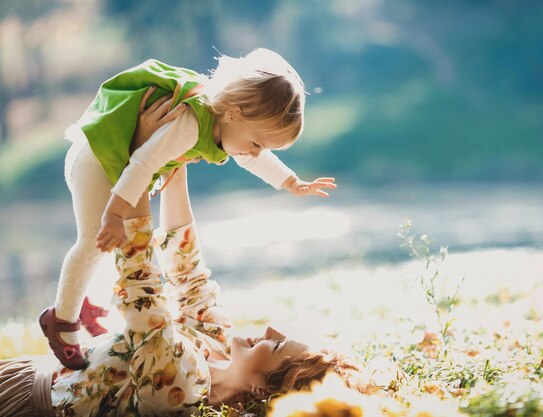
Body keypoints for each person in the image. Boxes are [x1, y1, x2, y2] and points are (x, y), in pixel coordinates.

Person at [0, 100, 353, 417]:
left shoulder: (182, 390)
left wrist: (140, 153)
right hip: (30, 370)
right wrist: (173, 160)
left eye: (275, 345)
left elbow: (141, 285)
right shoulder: (216, 343)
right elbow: (188, 268)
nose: (270, 329)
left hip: (27, 404)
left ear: (262, 389)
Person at [40, 48, 337, 370]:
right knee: (92, 242)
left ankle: (85, 304)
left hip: (114, 165)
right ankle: (61, 322)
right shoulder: (190, 124)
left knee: (114, 245)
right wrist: (113, 214)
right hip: (98, 160)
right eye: (257, 143)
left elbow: (251, 157)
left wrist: (290, 181)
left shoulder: (223, 121)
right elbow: (142, 163)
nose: (254, 152)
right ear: (235, 114)